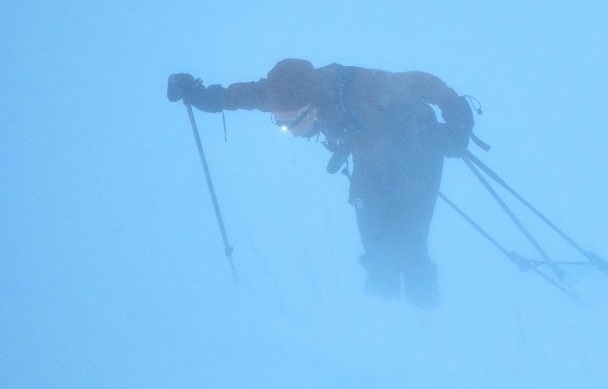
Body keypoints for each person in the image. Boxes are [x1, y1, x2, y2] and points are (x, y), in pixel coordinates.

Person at [167, 58, 475, 308]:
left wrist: (457, 118)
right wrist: (200, 95)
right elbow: (242, 96)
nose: (288, 128)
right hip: (369, 160)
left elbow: (421, 82)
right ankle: (382, 322)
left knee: (410, 246)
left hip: (418, 154)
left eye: (292, 121)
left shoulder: (362, 88)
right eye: (279, 121)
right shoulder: (285, 92)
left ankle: (426, 321)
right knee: (376, 247)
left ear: (311, 106)